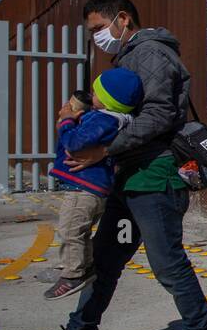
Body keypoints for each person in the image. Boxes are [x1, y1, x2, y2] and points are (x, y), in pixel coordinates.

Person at [24, 0, 207, 330]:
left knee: (166, 262)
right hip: (130, 178)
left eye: (99, 27)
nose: (97, 36)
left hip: (155, 178)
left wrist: (104, 149)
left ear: (123, 20)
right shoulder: (130, 56)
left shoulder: (151, 54)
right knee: (106, 260)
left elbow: (159, 116)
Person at [44, 70, 143, 300]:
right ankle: (81, 266)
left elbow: (74, 143)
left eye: (96, 92)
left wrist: (67, 120)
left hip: (84, 189)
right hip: (89, 188)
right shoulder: (108, 118)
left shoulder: (104, 119)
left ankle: (73, 274)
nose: (92, 95)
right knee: (80, 229)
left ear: (108, 99)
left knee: (71, 229)